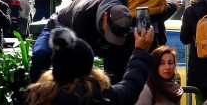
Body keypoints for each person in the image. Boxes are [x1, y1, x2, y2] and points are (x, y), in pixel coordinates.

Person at [27, 25, 155, 105]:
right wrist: (140, 51)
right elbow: (131, 86)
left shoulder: (37, 95)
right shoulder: (98, 96)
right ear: (87, 67)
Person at [30, 0, 134, 84]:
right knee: (42, 54)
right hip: (60, 26)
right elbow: (75, 59)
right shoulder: (83, 14)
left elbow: (116, 60)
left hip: (89, 34)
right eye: (110, 33)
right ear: (105, 16)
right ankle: (36, 93)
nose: (112, 39)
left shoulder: (121, 19)